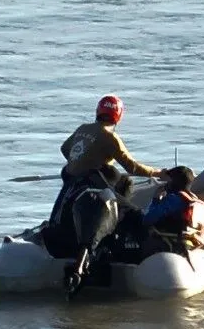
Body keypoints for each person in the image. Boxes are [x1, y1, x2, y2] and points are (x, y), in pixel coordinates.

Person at [42, 94, 168, 258]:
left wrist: (81, 160)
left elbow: (65, 149)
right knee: (134, 211)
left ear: (98, 111)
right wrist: (158, 173)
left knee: (120, 179)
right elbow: (132, 167)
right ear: (119, 116)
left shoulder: (82, 129)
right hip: (90, 183)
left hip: (71, 182)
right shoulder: (110, 138)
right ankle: (124, 231)